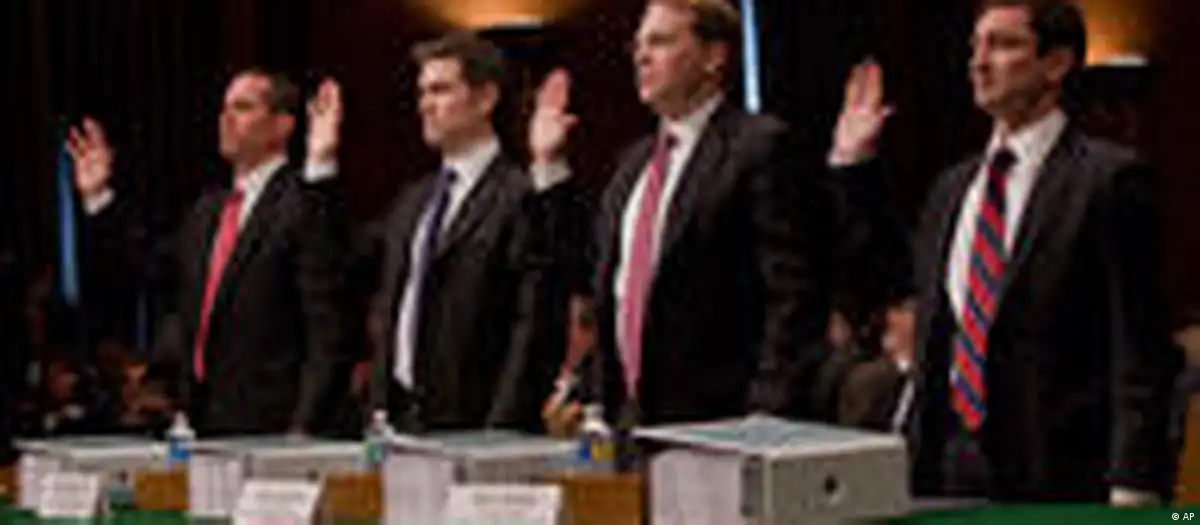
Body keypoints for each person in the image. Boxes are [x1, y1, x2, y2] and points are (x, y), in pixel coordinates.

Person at [831, 0, 1182, 504]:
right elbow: (900, 285)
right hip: (948, 461)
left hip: (1060, 470)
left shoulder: (1108, 179)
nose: (978, 62)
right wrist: (854, 166)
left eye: (1003, 44)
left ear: (1056, 63)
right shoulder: (954, 188)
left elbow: (1140, 347)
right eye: (975, 46)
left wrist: (1134, 482)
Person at [535, 0, 833, 431]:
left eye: (660, 42)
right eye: (638, 45)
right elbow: (593, 275)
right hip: (629, 419)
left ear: (713, 56)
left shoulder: (759, 147)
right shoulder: (633, 164)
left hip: (723, 421)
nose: (641, 57)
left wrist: (768, 412)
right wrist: (551, 168)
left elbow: (793, 294)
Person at [65, 70, 355, 436]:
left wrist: (304, 429)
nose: (226, 118)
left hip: (276, 429)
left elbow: (328, 330)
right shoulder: (207, 210)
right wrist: (99, 197)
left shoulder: (303, 204)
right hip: (205, 423)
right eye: (224, 108)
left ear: (282, 126)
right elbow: (153, 267)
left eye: (243, 107)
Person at [367, 33, 576, 432]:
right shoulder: (412, 202)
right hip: (400, 423)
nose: (425, 104)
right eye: (422, 92)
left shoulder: (520, 194)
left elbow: (535, 321)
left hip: (479, 424)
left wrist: (503, 429)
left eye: (441, 90)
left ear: (485, 99)